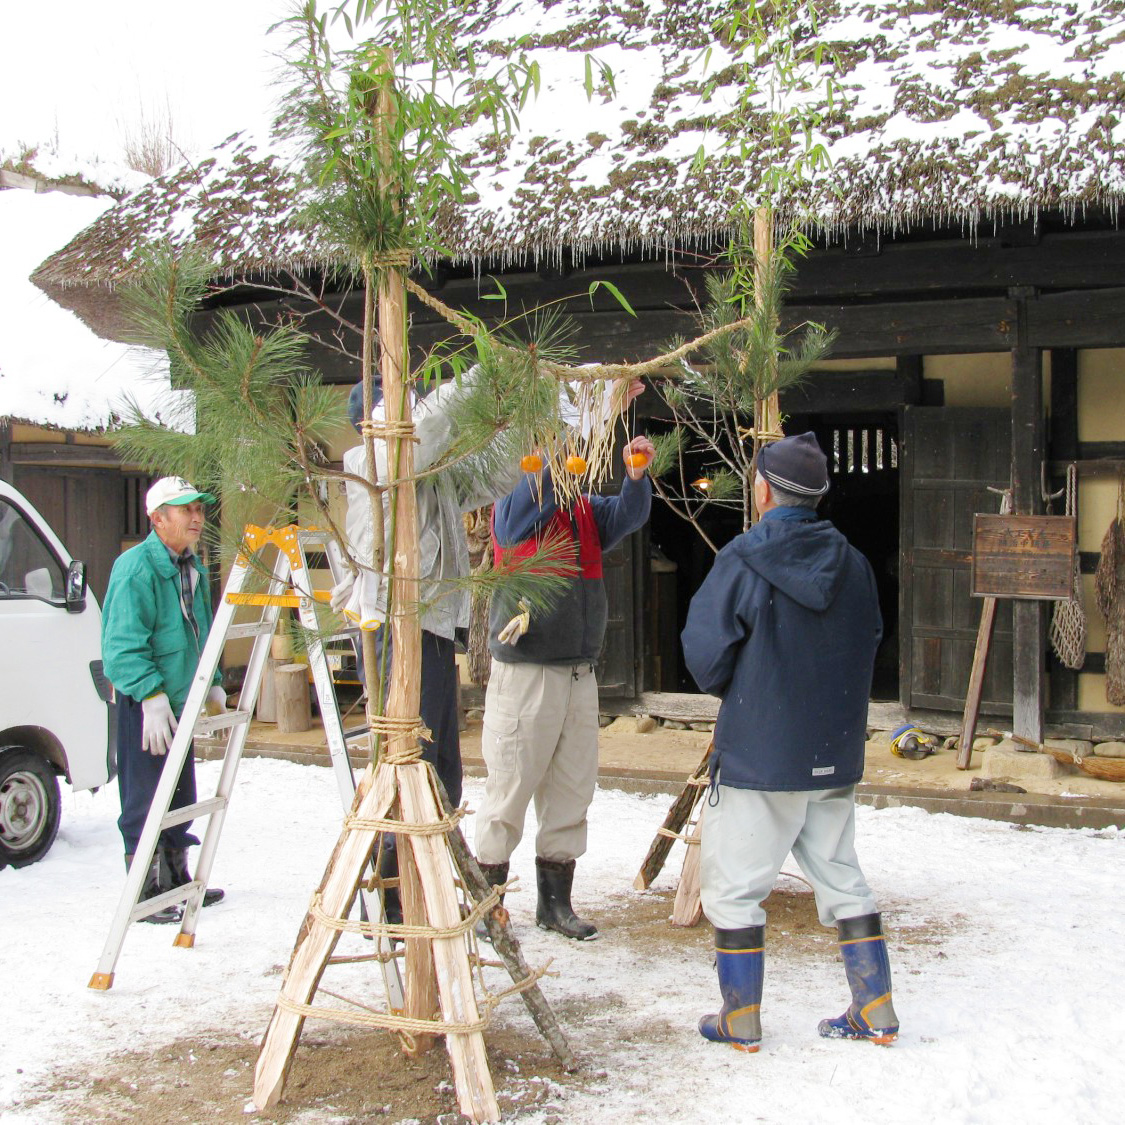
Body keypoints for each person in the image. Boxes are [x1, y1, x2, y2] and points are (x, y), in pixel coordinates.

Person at [680, 431, 899, 1051]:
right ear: (818, 496)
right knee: (841, 873)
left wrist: (746, 687)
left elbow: (705, 655)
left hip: (761, 753)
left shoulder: (743, 557)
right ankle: (875, 1007)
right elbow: (871, 638)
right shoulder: (853, 563)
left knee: (734, 888)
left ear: (763, 491)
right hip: (833, 750)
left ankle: (740, 1017)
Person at [330, 370, 520, 920]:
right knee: (409, 767)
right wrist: (485, 371)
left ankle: (426, 884)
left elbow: (493, 475)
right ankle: (399, 899)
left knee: (441, 769)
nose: (417, 414)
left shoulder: (428, 472)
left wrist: (536, 423)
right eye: (405, 407)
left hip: (431, 628)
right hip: (396, 627)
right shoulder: (375, 463)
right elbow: (431, 423)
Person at [473, 423, 656, 940]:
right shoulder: (513, 500)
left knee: (572, 789)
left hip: (579, 670)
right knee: (509, 789)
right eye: (559, 446)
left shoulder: (582, 508)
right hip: (525, 671)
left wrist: (635, 477)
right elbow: (517, 523)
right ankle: (487, 907)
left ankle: (554, 906)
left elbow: (628, 516)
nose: (570, 454)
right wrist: (551, 463)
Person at [101, 476, 227, 923]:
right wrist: (149, 695)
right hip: (147, 703)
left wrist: (212, 682)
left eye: (199, 509)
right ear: (157, 518)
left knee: (179, 791)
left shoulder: (192, 567)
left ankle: (175, 878)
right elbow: (121, 645)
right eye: (185, 509)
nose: (197, 517)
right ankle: (143, 890)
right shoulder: (136, 568)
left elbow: (202, 630)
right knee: (145, 796)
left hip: (179, 700)